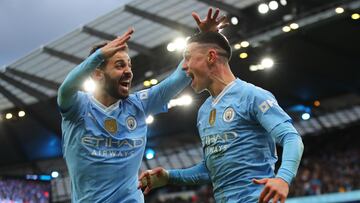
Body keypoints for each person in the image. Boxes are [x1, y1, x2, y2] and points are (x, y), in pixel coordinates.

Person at [57, 8, 227, 203]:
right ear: (97, 73)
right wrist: (98, 55)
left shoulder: (138, 104)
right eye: (120, 65)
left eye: (129, 65)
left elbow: (179, 76)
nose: (129, 71)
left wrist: (204, 38)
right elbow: (65, 88)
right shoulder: (78, 106)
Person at [138, 30, 304, 202]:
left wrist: (283, 178)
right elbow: (210, 169)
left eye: (188, 57)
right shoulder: (204, 111)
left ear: (211, 56)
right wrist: (169, 176)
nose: (184, 66)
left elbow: (291, 137)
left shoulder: (253, 96)